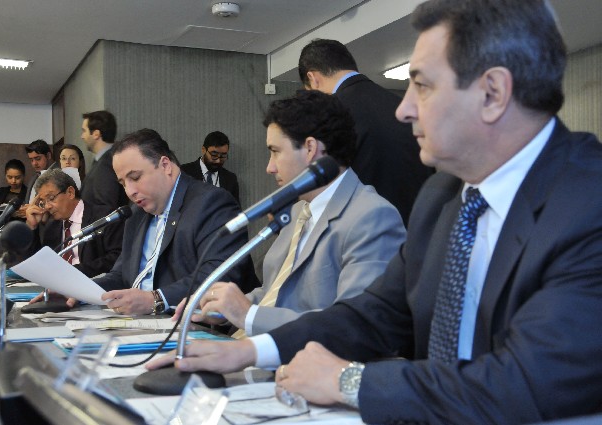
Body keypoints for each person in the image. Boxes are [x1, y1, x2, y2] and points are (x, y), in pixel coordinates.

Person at [147, 0, 602, 423]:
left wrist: (350, 381)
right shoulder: (443, 196)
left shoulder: (589, 202)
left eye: (421, 86)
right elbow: (375, 314)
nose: (404, 109)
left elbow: (528, 381)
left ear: (493, 93)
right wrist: (250, 351)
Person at [186, 90, 405, 337]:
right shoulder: (298, 210)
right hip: (254, 346)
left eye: (275, 151)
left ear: (310, 148)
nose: (269, 167)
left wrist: (248, 315)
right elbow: (274, 294)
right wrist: (219, 308)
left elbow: (356, 326)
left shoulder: (372, 217)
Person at [94, 129, 257, 316]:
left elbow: (219, 276)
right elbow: (122, 275)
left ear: (165, 165)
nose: (130, 191)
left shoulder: (212, 202)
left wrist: (155, 300)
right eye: (123, 183)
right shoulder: (136, 214)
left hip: (191, 324)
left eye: (135, 178)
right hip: (138, 322)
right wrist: (80, 290)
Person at [299, 38, 433, 225]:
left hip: (365, 229)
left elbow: (326, 187)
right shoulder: (401, 105)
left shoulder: (330, 115)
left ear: (313, 79)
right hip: (420, 226)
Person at [24, 168, 122, 278]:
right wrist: (32, 227)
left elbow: (116, 258)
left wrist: (73, 272)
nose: (47, 206)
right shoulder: (52, 227)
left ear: (70, 192)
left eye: (51, 198)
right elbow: (38, 265)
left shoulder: (104, 217)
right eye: (43, 202)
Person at [80, 110, 128, 216]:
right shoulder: (102, 161)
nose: (82, 136)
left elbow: (106, 208)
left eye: (84, 131)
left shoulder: (108, 163)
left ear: (96, 134)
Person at [180, 131, 240, 204]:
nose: (218, 160)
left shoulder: (230, 179)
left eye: (223, 156)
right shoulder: (184, 172)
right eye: (214, 155)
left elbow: (235, 209)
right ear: (203, 150)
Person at [0, 159, 27, 223]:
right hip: (1, 228)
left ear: (23, 176)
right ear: (5, 176)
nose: (13, 181)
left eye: (17, 177)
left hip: (20, 227)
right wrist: (1, 212)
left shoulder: (29, 193)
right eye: (10, 177)